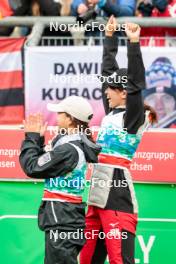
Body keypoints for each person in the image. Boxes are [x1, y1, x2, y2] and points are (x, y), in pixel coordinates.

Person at [80, 16, 157, 264]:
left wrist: (133, 43)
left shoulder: (134, 116)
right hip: (97, 191)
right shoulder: (114, 111)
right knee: (88, 258)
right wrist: (110, 38)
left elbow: (135, 86)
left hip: (117, 193)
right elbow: (107, 73)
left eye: (110, 89)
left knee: (120, 260)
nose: (105, 91)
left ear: (123, 92)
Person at [19, 96, 101, 264]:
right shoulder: (71, 144)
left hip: (63, 219)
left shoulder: (68, 149)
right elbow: (45, 164)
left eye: (60, 113)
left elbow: (32, 167)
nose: (56, 117)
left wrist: (31, 137)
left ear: (70, 119)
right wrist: (38, 140)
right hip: (66, 217)